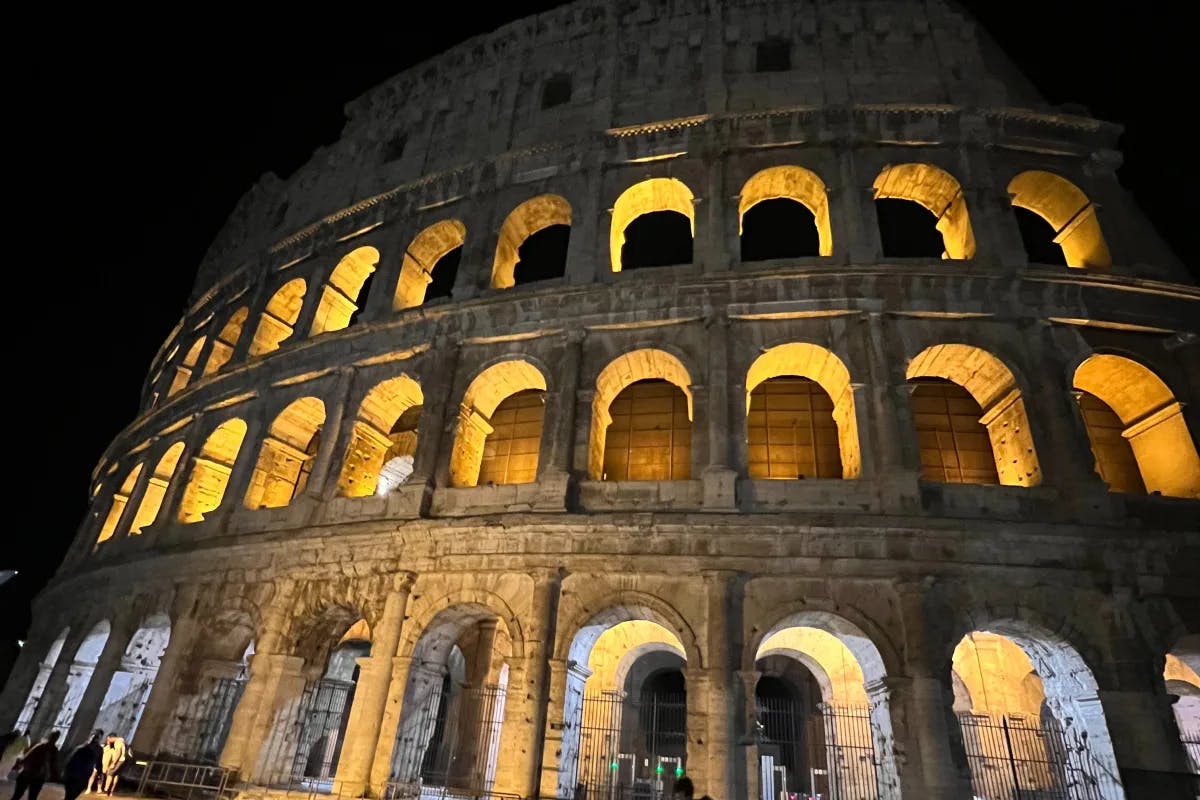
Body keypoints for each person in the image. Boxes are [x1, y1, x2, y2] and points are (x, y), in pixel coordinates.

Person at [9, 730, 59, 800]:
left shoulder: (41, 747)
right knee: (31, 796)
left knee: (18, 795)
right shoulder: (53, 750)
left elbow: (27, 758)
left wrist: (19, 765)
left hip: (30, 774)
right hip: (37, 776)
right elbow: (53, 765)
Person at [62, 731, 103, 800]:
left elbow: (70, 760)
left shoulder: (82, 748)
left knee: (70, 794)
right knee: (71, 794)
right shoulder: (85, 749)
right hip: (80, 774)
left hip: (78, 774)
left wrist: (99, 772)